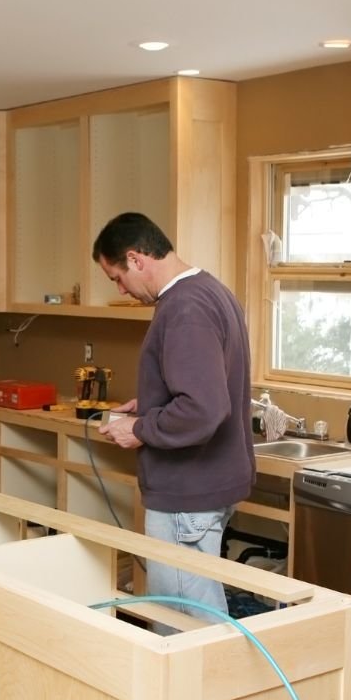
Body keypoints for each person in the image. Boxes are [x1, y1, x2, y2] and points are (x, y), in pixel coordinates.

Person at [92, 212, 254, 624]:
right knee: (192, 614)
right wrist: (147, 404)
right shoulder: (209, 290)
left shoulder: (184, 308)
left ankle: (216, 690)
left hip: (187, 494)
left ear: (136, 258)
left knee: (187, 623)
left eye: (116, 277)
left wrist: (142, 428)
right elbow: (201, 387)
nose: (121, 289)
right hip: (206, 485)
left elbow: (204, 407)